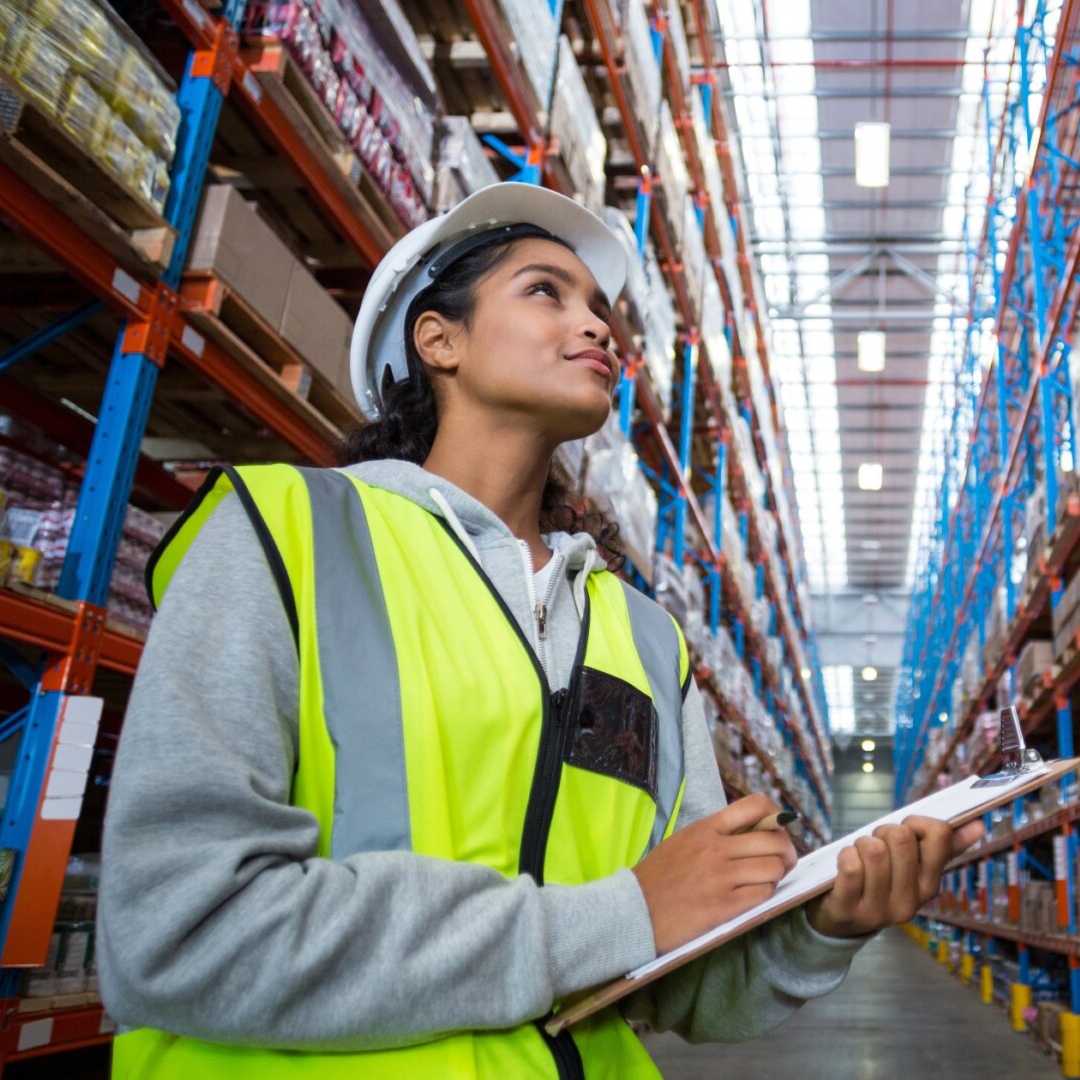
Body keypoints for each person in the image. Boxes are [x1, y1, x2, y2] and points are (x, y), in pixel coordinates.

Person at [98, 182, 983, 1078]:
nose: (597, 325)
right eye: (544, 292)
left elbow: (682, 982)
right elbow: (181, 929)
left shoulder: (642, 638)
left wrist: (824, 923)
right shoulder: (286, 534)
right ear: (437, 340)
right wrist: (615, 916)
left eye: (599, 307)